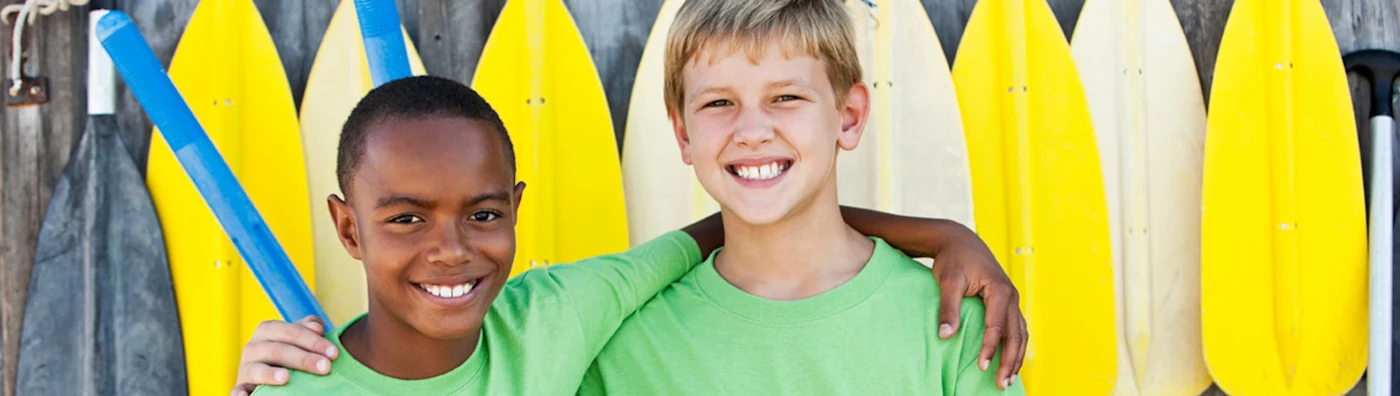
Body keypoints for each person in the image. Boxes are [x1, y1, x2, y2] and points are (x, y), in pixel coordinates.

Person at [235, 77, 1023, 395]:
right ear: (347, 227)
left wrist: (937, 234)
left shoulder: (563, 313)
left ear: (514, 209)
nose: (451, 250)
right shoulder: (294, 383)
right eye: (406, 218)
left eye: (482, 215)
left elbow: (734, 222)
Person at [576, 0, 1025, 394]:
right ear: (682, 132)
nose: (751, 132)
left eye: (786, 97)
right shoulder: (625, 346)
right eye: (718, 103)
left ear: (848, 116)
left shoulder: (957, 328)